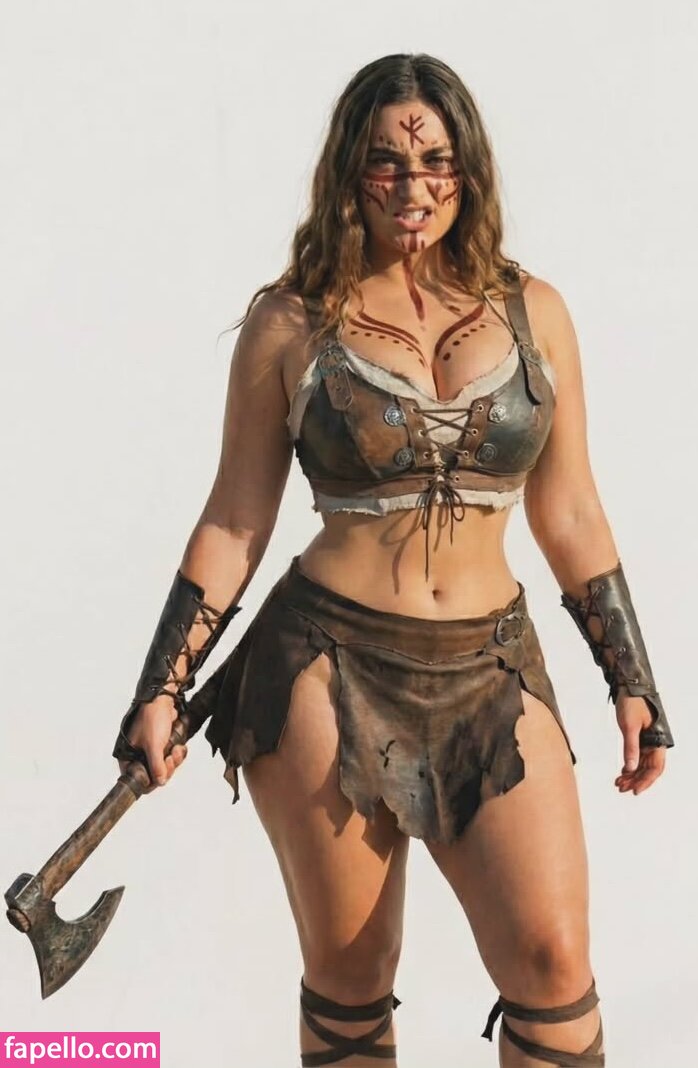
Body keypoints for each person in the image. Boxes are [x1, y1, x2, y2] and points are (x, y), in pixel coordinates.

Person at [112, 53, 674, 1067]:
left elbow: (571, 509)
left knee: (552, 964)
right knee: (353, 972)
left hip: (491, 668)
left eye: (434, 161)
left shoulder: (533, 312)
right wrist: (161, 687)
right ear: (347, 172)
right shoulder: (291, 320)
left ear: (469, 169)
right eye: (385, 162)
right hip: (326, 668)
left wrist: (629, 678)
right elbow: (235, 519)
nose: (413, 187)